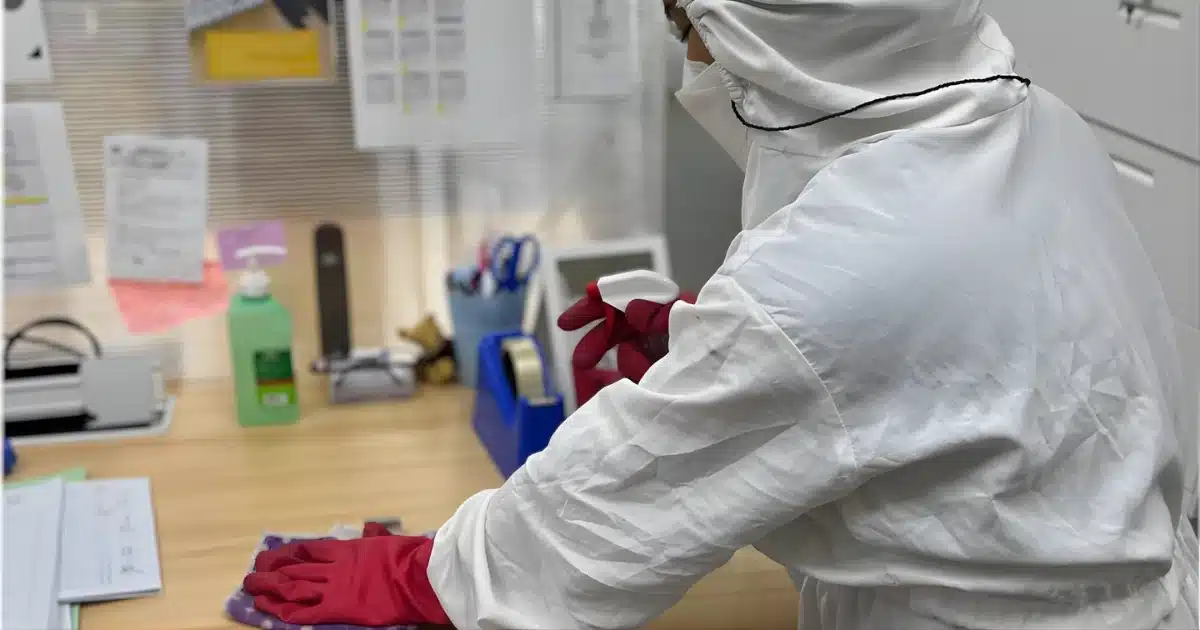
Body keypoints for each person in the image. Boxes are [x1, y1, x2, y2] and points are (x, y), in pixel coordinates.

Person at [243, 0, 1199, 627]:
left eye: (695, 22)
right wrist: (710, 337)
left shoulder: (834, 283)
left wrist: (423, 575)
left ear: (797, 27)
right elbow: (967, 347)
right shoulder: (1031, 122)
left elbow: (615, 507)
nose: (695, 55)